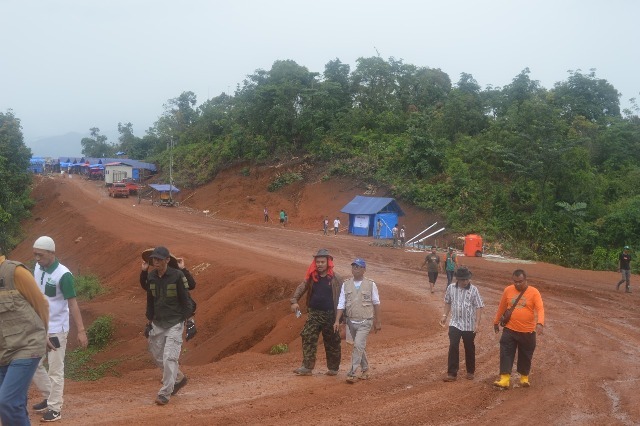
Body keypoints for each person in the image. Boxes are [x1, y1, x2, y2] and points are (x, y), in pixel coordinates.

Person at [31, 236, 89, 422]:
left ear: (51, 253)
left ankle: (55, 408)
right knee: (33, 364)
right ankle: (50, 397)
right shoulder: (38, 268)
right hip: (39, 327)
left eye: (40, 255)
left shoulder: (64, 275)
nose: (37, 258)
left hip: (57, 328)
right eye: (35, 255)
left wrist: (81, 331)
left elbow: (72, 304)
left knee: (55, 369)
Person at [0, 247, 49, 425]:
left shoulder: (15, 272)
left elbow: (41, 303)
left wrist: (45, 333)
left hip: (27, 345)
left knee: (7, 402)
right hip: (4, 351)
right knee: (13, 405)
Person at [142, 246, 195, 405]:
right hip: (158, 322)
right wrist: (149, 321)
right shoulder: (152, 276)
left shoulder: (177, 276)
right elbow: (150, 300)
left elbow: (186, 299)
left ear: (167, 260)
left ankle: (165, 393)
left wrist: (190, 321)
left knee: (169, 357)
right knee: (158, 356)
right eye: (154, 258)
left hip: (175, 322)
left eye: (158, 258)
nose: (155, 261)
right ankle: (178, 378)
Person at [290, 249, 342, 376]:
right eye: (317, 262)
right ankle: (307, 367)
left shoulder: (336, 279)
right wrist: (294, 301)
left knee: (332, 341)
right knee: (308, 336)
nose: (320, 264)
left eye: (322, 262)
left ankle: (333, 368)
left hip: (330, 314)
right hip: (314, 313)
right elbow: (302, 287)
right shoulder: (312, 277)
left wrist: (341, 318)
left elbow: (343, 297)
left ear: (328, 263)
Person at [493, 269, 545, 389]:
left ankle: (524, 378)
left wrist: (540, 323)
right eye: (515, 281)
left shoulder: (534, 292)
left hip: (527, 331)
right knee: (506, 352)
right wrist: (496, 322)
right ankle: (505, 379)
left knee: (526, 354)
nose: (517, 284)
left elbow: (540, 308)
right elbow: (502, 307)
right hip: (510, 329)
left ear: (525, 280)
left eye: (520, 281)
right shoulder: (508, 290)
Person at [333, 258, 381, 384]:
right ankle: (365, 370)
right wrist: (337, 320)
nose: (355, 269)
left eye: (358, 267)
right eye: (354, 266)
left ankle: (352, 373)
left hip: (366, 321)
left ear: (364, 270)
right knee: (358, 346)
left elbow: (376, 303)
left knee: (358, 345)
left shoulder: (371, 284)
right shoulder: (346, 284)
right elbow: (341, 303)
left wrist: (378, 321)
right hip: (351, 322)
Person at [439, 267, 484, 382]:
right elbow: (448, 302)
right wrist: (444, 316)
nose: (465, 282)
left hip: (469, 325)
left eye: (467, 279)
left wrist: (477, 324)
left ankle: (470, 371)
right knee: (453, 345)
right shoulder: (451, 288)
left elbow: (479, 306)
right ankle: (452, 373)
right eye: (463, 280)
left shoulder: (474, 290)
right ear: (457, 279)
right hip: (455, 323)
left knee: (469, 347)